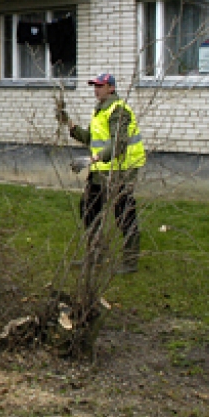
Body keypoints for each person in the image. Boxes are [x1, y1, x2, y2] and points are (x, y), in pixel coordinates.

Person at [61, 72, 146, 273]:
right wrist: (69, 124)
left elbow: (119, 143)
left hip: (121, 171)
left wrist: (91, 159)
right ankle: (96, 255)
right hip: (102, 170)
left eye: (100, 86)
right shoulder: (100, 110)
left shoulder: (118, 110)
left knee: (124, 213)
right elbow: (91, 138)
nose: (96, 89)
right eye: (94, 86)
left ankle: (130, 262)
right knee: (89, 209)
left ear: (111, 88)